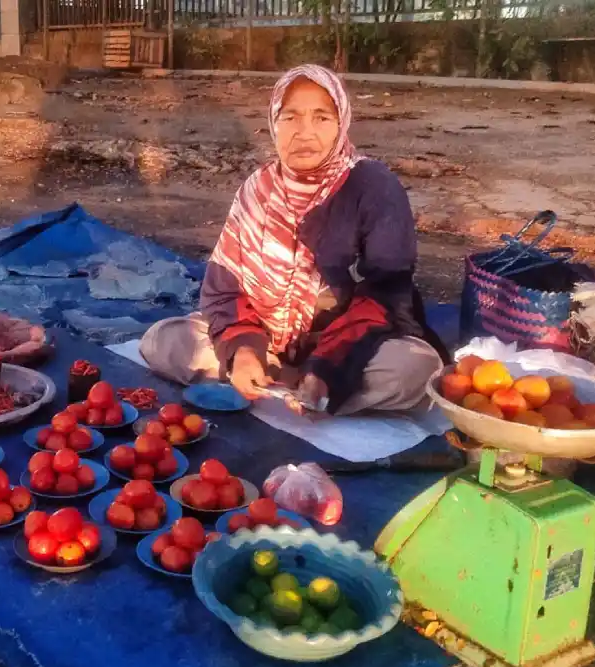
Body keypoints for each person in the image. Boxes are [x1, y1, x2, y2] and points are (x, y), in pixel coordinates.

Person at [140, 64, 449, 417]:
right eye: (290, 118)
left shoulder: (374, 188)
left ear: (341, 124)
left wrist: (329, 368)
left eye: (321, 118)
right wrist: (243, 348)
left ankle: (308, 387)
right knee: (161, 340)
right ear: (274, 122)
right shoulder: (258, 190)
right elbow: (224, 289)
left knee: (416, 368)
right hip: (266, 339)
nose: (304, 132)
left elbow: (384, 297)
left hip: (348, 349)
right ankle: (275, 378)